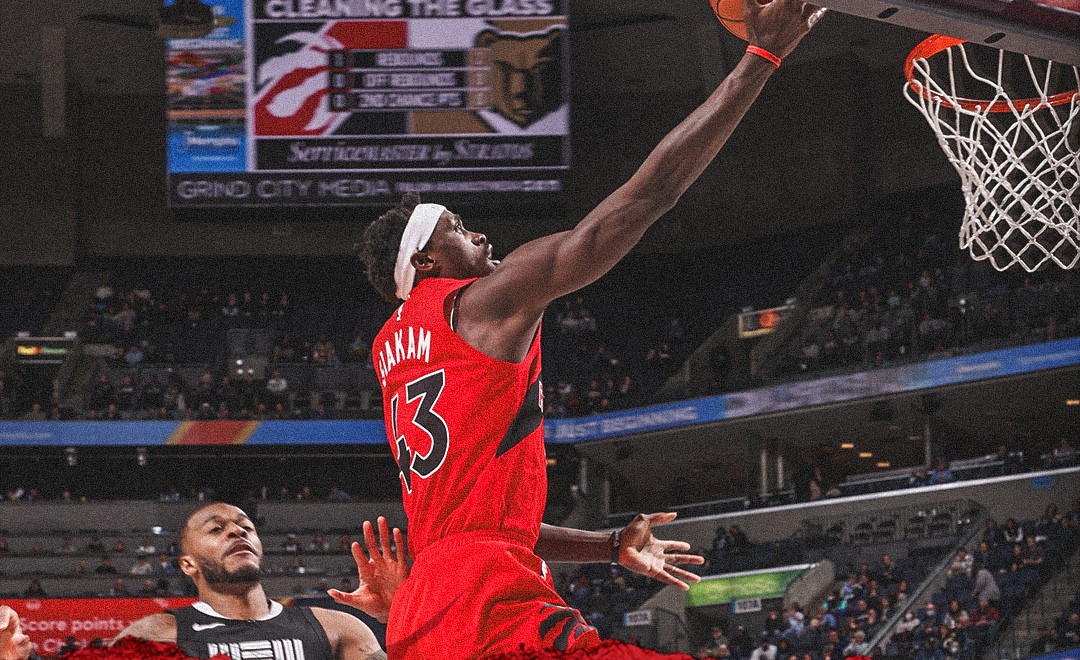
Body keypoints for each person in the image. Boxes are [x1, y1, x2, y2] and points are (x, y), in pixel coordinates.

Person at [356, 0, 823, 656]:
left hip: (427, 606)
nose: (480, 233)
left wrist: (606, 548)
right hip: (485, 594)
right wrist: (759, 61)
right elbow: (638, 202)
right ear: (427, 264)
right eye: (457, 228)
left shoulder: (391, 349)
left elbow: (489, 523)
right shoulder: (480, 304)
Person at [112, 502, 395, 660]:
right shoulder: (156, 635)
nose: (237, 531)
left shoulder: (335, 627)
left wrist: (396, 615)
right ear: (188, 564)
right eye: (216, 529)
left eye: (246, 526)